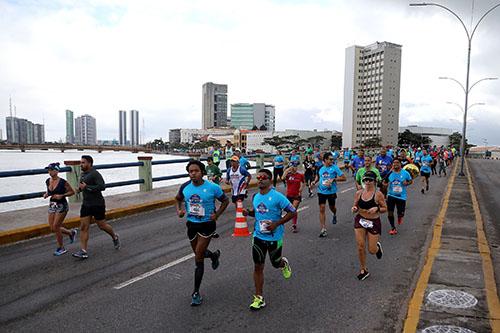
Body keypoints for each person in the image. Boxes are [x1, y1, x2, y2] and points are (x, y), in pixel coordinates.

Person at [176, 160, 229, 306]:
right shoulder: (185, 187)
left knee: (198, 257)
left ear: (202, 172)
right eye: (190, 171)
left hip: (207, 225)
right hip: (192, 225)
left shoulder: (213, 187)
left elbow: (225, 200)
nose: (193, 174)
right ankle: (213, 255)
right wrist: (179, 210)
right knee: (199, 253)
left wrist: (217, 214)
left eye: (196, 171)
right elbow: (178, 199)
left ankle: (195, 292)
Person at [242, 169, 296, 310]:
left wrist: (277, 224)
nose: (260, 179)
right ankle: (259, 298)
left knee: (275, 263)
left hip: (275, 237)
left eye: (264, 177)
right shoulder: (255, 197)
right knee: (258, 266)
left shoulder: (278, 197)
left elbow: (292, 212)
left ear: (270, 180)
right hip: (258, 237)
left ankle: (283, 263)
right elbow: (258, 213)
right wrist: (249, 213)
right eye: (258, 177)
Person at [72, 155, 120, 259]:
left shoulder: (95, 174)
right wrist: (79, 189)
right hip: (86, 204)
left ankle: (114, 236)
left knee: (102, 226)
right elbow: (83, 187)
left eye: (83, 163)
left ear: (89, 163)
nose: (81, 164)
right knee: (84, 227)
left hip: (97, 204)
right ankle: (83, 251)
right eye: (81, 162)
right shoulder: (83, 174)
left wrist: (87, 187)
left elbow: (102, 186)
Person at [351, 171, 387, 280]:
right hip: (360, 220)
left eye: (370, 180)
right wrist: (354, 209)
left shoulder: (378, 194)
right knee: (361, 246)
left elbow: (385, 209)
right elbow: (355, 205)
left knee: (372, 250)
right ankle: (363, 269)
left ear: (375, 181)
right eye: (365, 180)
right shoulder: (359, 193)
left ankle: (377, 248)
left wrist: (377, 208)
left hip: (373, 222)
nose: (367, 182)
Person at [43, 162, 76, 256]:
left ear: (57, 171)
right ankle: (71, 233)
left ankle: (61, 248)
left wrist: (62, 195)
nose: (49, 172)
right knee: (52, 228)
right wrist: (47, 194)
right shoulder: (47, 181)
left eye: (51, 170)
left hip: (62, 205)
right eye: (48, 170)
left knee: (56, 226)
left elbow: (72, 192)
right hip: (52, 204)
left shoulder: (63, 182)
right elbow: (49, 191)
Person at [312, 152, 346, 237]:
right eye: (330, 159)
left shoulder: (335, 167)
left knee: (332, 207)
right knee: (322, 208)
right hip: (321, 191)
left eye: (333, 159)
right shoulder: (320, 168)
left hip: (331, 192)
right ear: (325, 160)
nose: (332, 160)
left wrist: (334, 179)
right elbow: (318, 177)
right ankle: (323, 229)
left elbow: (344, 178)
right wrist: (314, 182)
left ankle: (334, 214)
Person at [383, 159, 413, 235]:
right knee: (390, 212)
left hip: (401, 197)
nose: (395, 164)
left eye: (397, 163)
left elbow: (410, 181)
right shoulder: (390, 173)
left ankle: (400, 216)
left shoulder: (405, 173)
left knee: (401, 213)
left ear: (400, 164)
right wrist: (385, 188)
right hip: (391, 196)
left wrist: (407, 183)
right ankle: (393, 228)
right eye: (394, 163)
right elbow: (385, 183)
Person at [283, 161, 305, 233]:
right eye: (293, 167)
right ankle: (289, 220)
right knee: (290, 210)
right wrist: (287, 170)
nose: (294, 168)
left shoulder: (300, 175)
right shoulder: (288, 175)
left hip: (297, 195)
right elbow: (283, 177)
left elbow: (302, 183)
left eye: (296, 167)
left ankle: (294, 224)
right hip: (289, 195)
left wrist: (301, 188)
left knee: (293, 209)